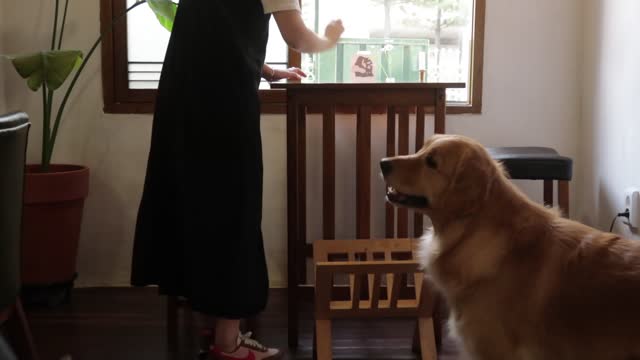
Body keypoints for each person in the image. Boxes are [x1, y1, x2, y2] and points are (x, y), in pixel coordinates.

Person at [130, 0, 344, 359]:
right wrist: (330, 40)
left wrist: (266, 70)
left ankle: (211, 323)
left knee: (196, 203)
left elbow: (217, 35)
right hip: (224, 107)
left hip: (182, 99)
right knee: (234, 209)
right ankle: (228, 343)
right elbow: (297, 36)